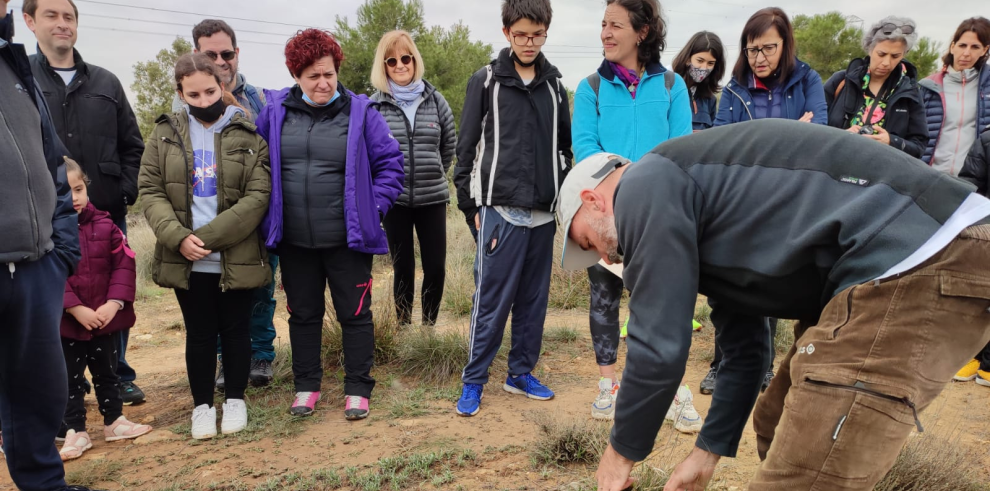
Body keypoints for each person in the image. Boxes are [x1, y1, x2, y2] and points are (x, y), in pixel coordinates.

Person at [555, 121, 990, 491]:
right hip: (897, 259)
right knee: (776, 419)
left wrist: (616, 460)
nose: (606, 259)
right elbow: (746, 352)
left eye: (588, 242)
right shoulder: (703, 206)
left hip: (922, 253)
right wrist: (707, 454)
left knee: (801, 473)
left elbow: (660, 344)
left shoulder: (646, 183)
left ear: (594, 201)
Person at [255, 29, 403, 420]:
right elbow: (256, 166)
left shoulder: (362, 112)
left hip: (347, 241)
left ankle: (357, 389)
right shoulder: (273, 114)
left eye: (328, 74)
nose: (322, 83)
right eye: (312, 76)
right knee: (303, 316)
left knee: (355, 314)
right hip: (294, 242)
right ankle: (306, 386)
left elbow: (391, 165)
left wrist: (374, 207)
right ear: (296, 76)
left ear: (337, 70)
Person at [571, 0, 698, 430]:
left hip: (661, 215)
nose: (605, 33)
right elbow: (586, 151)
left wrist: (649, 191)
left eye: (616, 25)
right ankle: (608, 387)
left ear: (642, 32)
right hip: (607, 213)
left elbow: (682, 148)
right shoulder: (589, 87)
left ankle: (673, 390)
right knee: (604, 300)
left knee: (664, 307)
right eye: (602, 24)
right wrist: (621, 193)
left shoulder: (671, 85)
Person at [138, 53, 271, 440]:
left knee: (236, 331)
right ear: (181, 93)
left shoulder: (248, 133)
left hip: (235, 254)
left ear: (222, 86)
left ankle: (235, 400)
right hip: (185, 259)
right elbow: (150, 190)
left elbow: (258, 195)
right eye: (192, 94)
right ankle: (201, 407)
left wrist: (206, 239)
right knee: (199, 333)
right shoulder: (164, 134)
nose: (203, 99)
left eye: (210, 91)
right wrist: (179, 238)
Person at [451, 0, 572, 418]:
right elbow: (464, 149)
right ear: (506, 33)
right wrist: (471, 209)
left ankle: (520, 373)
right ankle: (473, 382)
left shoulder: (556, 86)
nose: (528, 42)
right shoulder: (485, 80)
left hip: (543, 215)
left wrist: (561, 200)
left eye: (536, 34)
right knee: (490, 301)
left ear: (545, 32)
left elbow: (565, 149)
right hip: (500, 212)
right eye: (520, 34)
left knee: (534, 302)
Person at [24, 0, 147, 405]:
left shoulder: (107, 83)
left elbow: (133, 145)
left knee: (112, 294)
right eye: (51, 15)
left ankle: (118, 374)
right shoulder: (18, 80)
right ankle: (61, 386)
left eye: (69, 17)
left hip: (104, 215)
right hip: (43, 222)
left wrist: (124, 191)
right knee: (55, 302)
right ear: (29, 21)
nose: (62, 24)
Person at [0, 0, 91, 488]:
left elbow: (55, 163)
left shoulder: (13, 66)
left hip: (36, 264)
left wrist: (62, 251)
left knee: (38, 390)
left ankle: (43, 484)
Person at [171, 19, 276, 391]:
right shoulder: (179, 107)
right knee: (210, 298)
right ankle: (222, 362)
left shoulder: (261, 99)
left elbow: (269, 155)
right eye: (209, 54)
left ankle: (260, 355)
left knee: (259, 291)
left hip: (251, 219)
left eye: (226, 53)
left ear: (237, 54)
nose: (220, 60)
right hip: (199, 222)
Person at [58, 158, 152, 461]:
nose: (73, 197)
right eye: (64, 191)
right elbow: (50, 274)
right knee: (69, 378)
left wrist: (114, 303)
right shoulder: (48, 233)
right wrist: (74, 308)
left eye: (78, 189)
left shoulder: (107, 225)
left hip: (104, 319)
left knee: (108, 372)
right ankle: (75, 432)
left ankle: (114, 421)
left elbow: (124, 265)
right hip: (68, 322)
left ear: (87, 187)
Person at [370, 30, 457, 327]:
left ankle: (428, 328)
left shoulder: (437, 101)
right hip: (394, 201)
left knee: (435, 267)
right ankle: (404, 327)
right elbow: (368, 155)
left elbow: (449, 147)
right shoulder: (374, 106)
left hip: (432, 198)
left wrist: (433, 174)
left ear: (414, 60)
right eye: (391, 60)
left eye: (405, 57)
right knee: (402, 267)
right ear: (383, 66)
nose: (400, 65)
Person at [824, 16, 927, 158]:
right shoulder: (841, 81)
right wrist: (842, 135)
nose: (886, 62)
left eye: (895, 56)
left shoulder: (911, 92)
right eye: (882, 54)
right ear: (870, 49)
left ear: (904, 54)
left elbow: (919, 146)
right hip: (834, 167)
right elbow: (815, 127)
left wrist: (892, 141)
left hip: (881, 174)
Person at [715, 7, 827, 126]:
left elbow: (816, 135)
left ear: (785, 45)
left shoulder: (808, 81)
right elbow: (721, 141)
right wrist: (792, 131)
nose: (759, 59)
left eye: (768, 48)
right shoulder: (733, 90)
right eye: (752, 50)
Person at [919, 17, 990, 175]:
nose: (966, 53)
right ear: (953, 47)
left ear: (985, 50)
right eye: (962, 45)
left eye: (975, 47)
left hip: (972, 182)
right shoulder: (928, 86)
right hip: (929, 176)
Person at [954, 128, 990, 387]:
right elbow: (970, 186)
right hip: (987, 230)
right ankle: (972, 356)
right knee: (977, 294)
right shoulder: (987, 140)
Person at [671, 31, 726, 131]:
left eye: (710, 63)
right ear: (688, 59)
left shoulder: (710, 100)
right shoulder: (670, 89)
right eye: (700, 61)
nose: (704, 68)